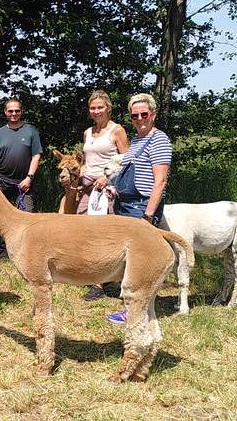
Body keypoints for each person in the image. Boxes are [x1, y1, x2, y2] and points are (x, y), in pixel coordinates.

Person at [106, 92, 172, 324]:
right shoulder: (136, 140)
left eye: (144, 114)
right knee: (129, 261)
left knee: (139, 263)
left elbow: (160, 181)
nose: (140, 119)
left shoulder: (159, 140)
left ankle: (136, 312)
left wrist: (148, 215)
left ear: (153, 114)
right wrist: (115, 188)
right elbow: (130, 172)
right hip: (126, 203)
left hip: (141, 206)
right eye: (135, 115)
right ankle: (131, 307)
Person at [78, 90, 129, 301]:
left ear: (108, 107)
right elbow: (87, 159)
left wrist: (106, 178)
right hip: (87, 188)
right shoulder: (88, 132)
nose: (96, 111)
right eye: (93, 108)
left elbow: (126, 160)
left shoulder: (117, 131)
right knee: (83, 229)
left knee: (101, 233)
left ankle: (100, 283)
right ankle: (89, 272)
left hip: (105, 189)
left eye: (100, 107)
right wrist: (81, 169)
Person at [0, 98, 42, 261]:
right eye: (10, 111)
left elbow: (36, 155)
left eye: (17, 111)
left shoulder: (31, 131)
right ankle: (4, 254)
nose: (13, 114)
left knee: (27, 217)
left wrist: (29, 178)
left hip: (24, 183)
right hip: (2, 182)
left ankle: (24, 253)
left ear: (21, 111)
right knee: (2, 219)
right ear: (5, 112)